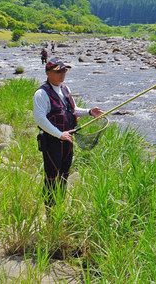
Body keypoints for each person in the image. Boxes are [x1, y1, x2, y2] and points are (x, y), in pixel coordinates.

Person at [33, 58, 103, 207]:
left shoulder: (65, 88)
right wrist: (59, 134)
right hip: (52, 142)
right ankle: (50, 210)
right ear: (48, 73)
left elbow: (73, 110)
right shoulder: (41, 93)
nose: (62, 74)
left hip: (68, 140)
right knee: (52, 176)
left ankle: (60, 204)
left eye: (64, 70)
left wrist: (90, 112)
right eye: (58, 71)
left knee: (64, 174)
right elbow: (39, 119)